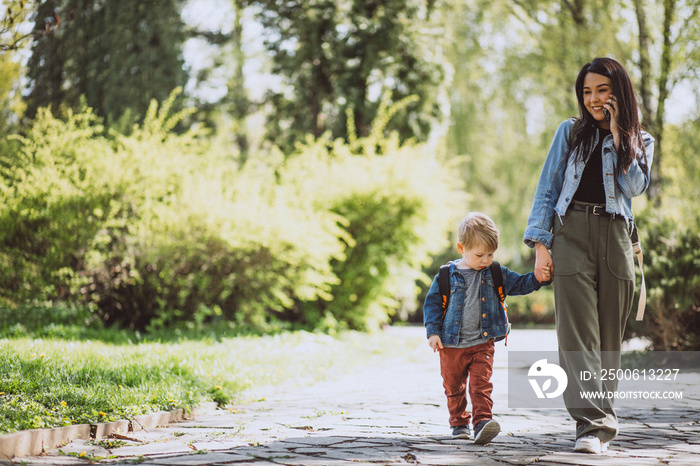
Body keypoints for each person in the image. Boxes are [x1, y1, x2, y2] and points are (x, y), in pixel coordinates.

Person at [523, 57, 654, 454]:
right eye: (587, 91)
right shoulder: (570, 132)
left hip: (616, 235)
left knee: (609, 340)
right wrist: (541, 245)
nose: (594, 99)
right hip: (571, 232)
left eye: (602, 90)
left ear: (618, 92)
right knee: (576, 335)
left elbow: (634, 187)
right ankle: (591, 427)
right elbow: (547, 188)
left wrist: (618, 134)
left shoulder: (640, 140)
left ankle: (599, 420)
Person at [424, 212, 551, 445]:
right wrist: (433, 332)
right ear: (461, 248)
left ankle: (482, 422)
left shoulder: (495, 273)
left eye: (490, 254)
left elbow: (519, 284)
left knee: (481, 385)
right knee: (454, 387)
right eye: (479, 255)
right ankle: (459, 422)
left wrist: (537, 278)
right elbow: (432, 304)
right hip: (451, 345)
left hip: (483, 343)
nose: (485, 260)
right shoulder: (445, 275)